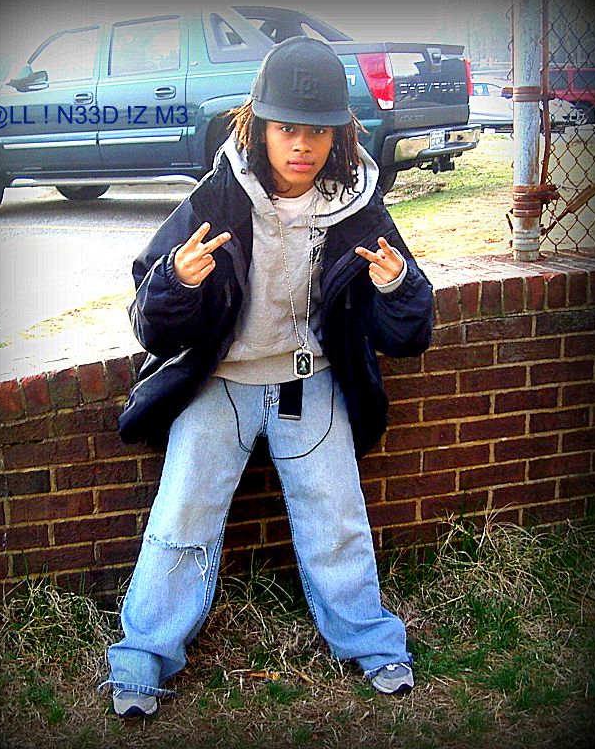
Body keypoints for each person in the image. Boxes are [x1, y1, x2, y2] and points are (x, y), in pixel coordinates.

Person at [101, 36, 434, 718]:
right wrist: (176, 284)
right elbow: (149, 324)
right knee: (182, 515)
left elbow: (409, 335)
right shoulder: (217, 199)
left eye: (317, 131)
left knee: (336, 516)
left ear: (338, 136)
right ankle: (142, 658)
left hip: (309, 379)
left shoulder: (359, 207)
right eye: (286, 128)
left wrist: (396, 287)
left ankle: (372, 642)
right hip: (220, 381)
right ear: (258, 126)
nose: (301, 145)